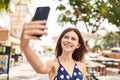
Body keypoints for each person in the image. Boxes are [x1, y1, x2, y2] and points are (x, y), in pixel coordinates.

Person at [20, 20, 88, 80]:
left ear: (78, 45)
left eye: (73, 39)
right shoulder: (53, 64)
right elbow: (40, 68)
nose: (68, 40)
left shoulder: (82, 66)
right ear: (61, 41)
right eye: (66, 37)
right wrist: (25, 46)